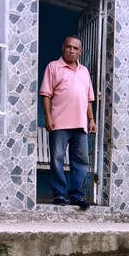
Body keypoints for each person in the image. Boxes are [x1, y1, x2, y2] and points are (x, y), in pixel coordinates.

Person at [39, 35, 96, 210]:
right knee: (57, 159)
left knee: (81, 162)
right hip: (59, 124)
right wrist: (48, 118)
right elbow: (46, 95)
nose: (71, 50)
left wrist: (91, 120)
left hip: (81, 125)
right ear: (63, 47)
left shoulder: (84, 71)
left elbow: (88, 99)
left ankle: (76, 196)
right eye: (69, 47)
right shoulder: (53, 67)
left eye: (75, 48)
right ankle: (59, 195)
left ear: (80, 51)